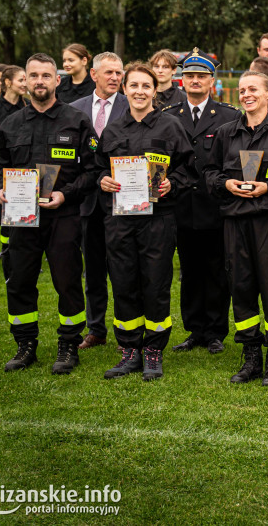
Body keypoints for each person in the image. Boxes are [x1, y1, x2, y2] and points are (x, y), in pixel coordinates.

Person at [203, 70, 268, 386]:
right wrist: (226, 183)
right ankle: (251, 357)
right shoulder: (226, 133)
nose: (247, 94)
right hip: (236, 222)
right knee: (242, 288)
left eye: (254, 89)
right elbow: (209, 172)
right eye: (243, 89)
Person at [0, 53, 98, 375]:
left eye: (46, 75)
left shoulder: (77, 121)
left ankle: (68, 345)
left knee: (67, 281)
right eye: (33, 75)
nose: (39, 81)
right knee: (20, 280)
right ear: (25, 80)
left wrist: (66, 193)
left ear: (57, 80)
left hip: (63, 216)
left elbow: (94, 169)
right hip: (22, 217)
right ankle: (25, 345)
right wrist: (0, 187)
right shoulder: (10, 124)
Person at [96, 63, 195, 380]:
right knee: (123, 283)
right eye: (134, 85)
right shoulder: (112, 131)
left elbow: (189, 168)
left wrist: (172, 184)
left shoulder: (170, 127)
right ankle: (129, 351)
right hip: (120, 221)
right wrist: (102, 180)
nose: (139, 91)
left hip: (158, 221)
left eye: (146, 86)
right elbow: (97, 169)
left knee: (155, 284)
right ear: (125, 89)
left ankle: (153, 351)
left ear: (155, 91)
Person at [163, 50, 240, 354]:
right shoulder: (168, 115)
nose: (195, 81)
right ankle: (195, 329)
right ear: (182, 80)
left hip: (215, 206)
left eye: (201, 76)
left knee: (217, 269)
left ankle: (216, 330)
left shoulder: (228, 116)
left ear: (212, 80)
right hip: (180, 205)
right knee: (189, 270)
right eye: (190, 76)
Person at [71, 53, 128, 350]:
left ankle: (125, 329)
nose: (115, 78)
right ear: (93, 74)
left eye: (119, 72)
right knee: (92, 269)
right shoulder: (75, 109)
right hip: (87, 202)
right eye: (109, 72)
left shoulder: (132, 107)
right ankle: (95, 329)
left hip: (122, 200)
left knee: (123, 268)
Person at [0, 65, 28, 267]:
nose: (25, 84)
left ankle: (25, 250)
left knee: (25, 208)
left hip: (23, 167)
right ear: (8, 82)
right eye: (21, 80)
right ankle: (7, 249)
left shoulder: (26, 108)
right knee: (5, 208)